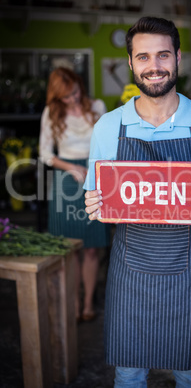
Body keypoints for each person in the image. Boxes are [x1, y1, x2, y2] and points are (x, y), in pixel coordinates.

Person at [84, 17, 191, 387]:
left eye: (162, 55)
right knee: (128, 373)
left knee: (190, 373)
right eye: (143, 57)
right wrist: (94, 206)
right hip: (130, 272)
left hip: (189, 272)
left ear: (177, 58)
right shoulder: (108, 128)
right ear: (131, 63)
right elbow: (100, 201)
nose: (153, 66)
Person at [39, 66, 110, 322]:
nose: (73, 99)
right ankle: (75, 301)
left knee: (91, 249)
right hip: (65, 180)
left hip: (94, 177)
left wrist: (94, 168)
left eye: (75, 92)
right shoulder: (51, 113)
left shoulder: (98, 107)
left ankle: (89, 302)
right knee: (71, 248)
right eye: (66, 96)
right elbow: (46, 154)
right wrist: (72, 167)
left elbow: (107, 143)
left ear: (80, 86)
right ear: (57, 97)